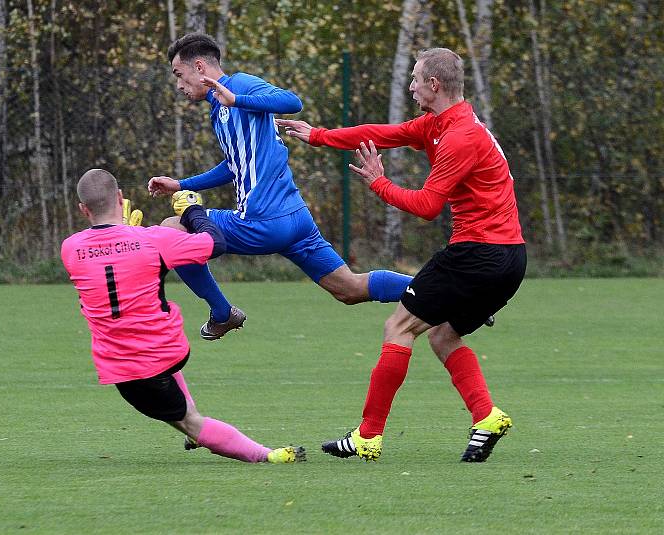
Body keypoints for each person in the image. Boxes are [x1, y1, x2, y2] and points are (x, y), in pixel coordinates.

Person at [277, 47, 525, 462]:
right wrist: (318, 135)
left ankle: (368, 437)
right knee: (444, 335)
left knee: (399, 327)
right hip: (508, 258)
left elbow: (428, 207)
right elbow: (380, 133)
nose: (410, 87)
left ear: (434, 85)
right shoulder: (440, 124)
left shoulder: (460, 136)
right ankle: (486, 416)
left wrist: (378, 182)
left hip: (477, 253)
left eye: (414, 79)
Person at [147, 32, 414, 341]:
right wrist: (180, 184)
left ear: (199, 67)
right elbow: (235, 166)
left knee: (172, 229)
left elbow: (292, 101)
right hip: (294, 219)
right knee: (349, 288)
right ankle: (444, 290)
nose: (179, 85)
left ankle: (222, 313)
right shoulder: (218, 111)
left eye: (179, 75)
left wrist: (238, 100)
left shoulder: (239, 86)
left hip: (263, 221)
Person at [61, 168, 305, 464]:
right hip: (164, 352)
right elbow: (216, 243)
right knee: (187, 418)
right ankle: (256, 452)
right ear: (120, 197)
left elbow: (108, 264)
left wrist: (125, 231)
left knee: (185, 415)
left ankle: (252, 451)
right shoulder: (153, 238)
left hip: (121, 366)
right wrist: (193, 209)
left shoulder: (70, 248)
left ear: (83, 209)